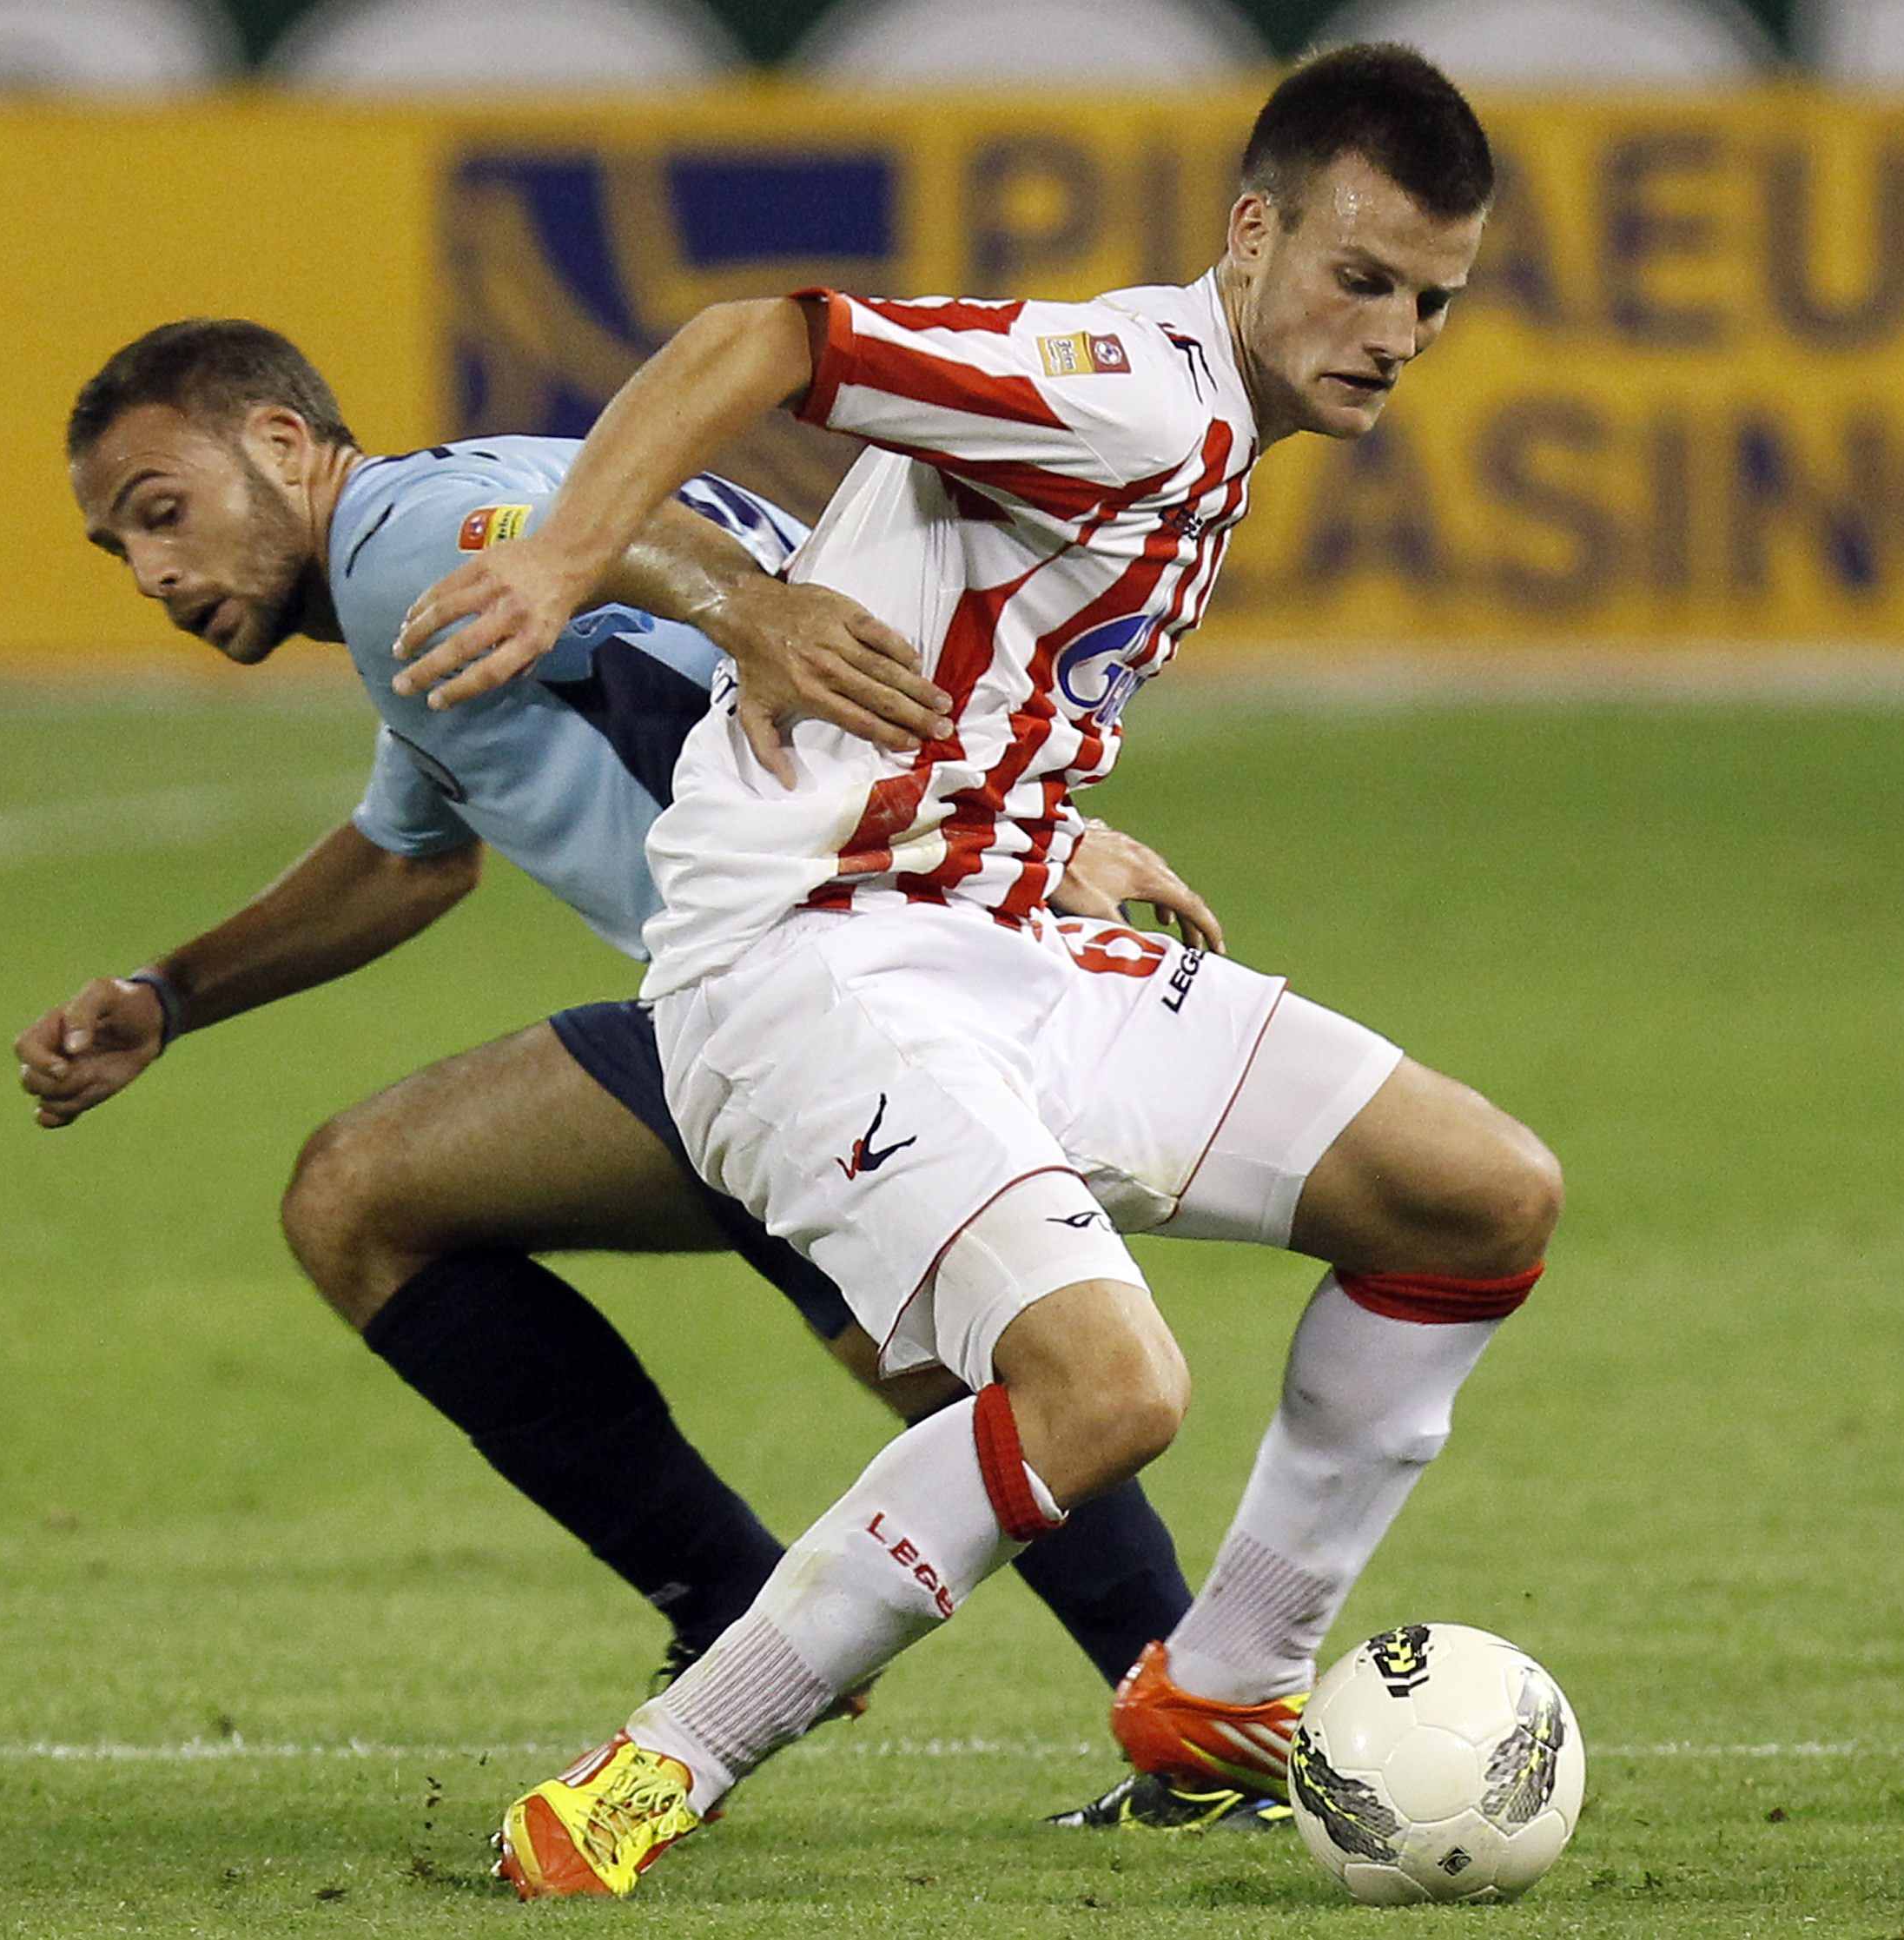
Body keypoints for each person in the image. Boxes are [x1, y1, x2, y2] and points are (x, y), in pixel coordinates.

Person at [386, 44, 1567, 1897]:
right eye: (1362, 276)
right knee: (1112, 1390)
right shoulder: (1129, 391)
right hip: (805, 971)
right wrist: (569, 556)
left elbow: (974, 633)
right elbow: (764, 338)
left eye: (1434, 300)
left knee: (1479, 1199)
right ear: (1251, 238)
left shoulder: (1217, 433)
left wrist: (1037, 819)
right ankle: (650, 1773)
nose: (1397, 330)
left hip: (995, 942)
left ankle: (1227, 1685)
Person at [18, 320, 1228, 1767]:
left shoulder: (407, 536)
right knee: (977, 1379)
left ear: (282, 446)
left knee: (354, 1197)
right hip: (849, 972)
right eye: (120, 549)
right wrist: (170, 993)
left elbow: (590, 540)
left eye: (164, 512)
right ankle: (1209, 1730)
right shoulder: (432, 589)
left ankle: (728, 1594)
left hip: (795, 978)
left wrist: (753, 614)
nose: (154, 572)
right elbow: (414, 855)